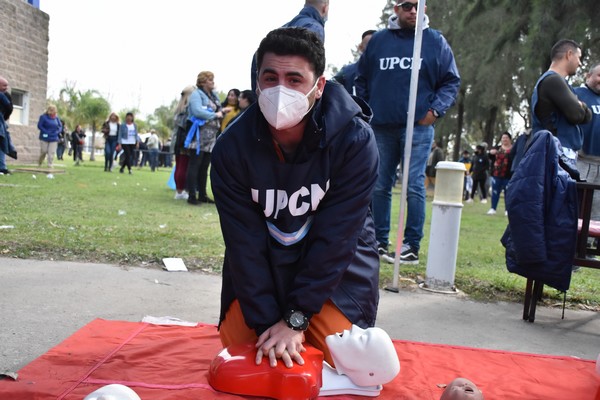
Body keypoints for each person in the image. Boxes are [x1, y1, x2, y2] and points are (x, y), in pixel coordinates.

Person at [211, 27, 380, 370]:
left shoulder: (355, 141)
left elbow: (337, 237)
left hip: (336, 273)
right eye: (270, 77)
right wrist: (266, 323)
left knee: (349, 362)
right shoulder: (231, 148)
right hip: (265, 266)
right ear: (256, 82)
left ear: (318, 87)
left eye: (294, 79)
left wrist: (296, 319)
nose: (279, 90)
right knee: (249, 355)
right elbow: (244, 243)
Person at [355, 1, 460, 265]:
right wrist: (367, 113)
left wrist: (435, 111)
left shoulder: (434, 41)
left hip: (418, 128)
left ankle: (411, 245)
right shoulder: (379, 42)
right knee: (379, 185)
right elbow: (361, 79)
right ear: (396, 9)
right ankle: (378, 242)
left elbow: (451, 81)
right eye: (406, 5)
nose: (413, 10)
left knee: (414, 185)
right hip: (381, 128)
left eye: (417, 5)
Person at [531, 39, 592, 177]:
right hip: (557, 152)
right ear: (569, 54)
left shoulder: (555, 81)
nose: (580, 63)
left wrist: (581, 107)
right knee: (559, 197)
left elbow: (586, 116)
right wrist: (581, 106)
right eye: (579, 57)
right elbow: (576, 115)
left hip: (557, 151)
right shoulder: (553, 80)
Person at [250, 0, 329, 92]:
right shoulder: (313, 27)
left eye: (294, 80)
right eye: (271, 79)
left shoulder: (285, 27)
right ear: (325, 8)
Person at [185, 71, 223, 205]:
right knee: (195, 164)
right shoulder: (196, 94)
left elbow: (219, 109)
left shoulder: (213, 95)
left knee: (205, 166)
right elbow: (197, 111)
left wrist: (220, 112)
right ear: (202, 82)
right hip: (199, 135)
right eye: (210, 80)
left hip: (211, 137)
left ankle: (202, 194)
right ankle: (191, 195)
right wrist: (216, 115)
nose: (213, 82)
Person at [575, 62, 600, 220]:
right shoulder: (575, 93)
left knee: (597, 208)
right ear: (588, 75)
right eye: (599, 75)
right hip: (581, 161)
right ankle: (573, 241)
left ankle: (593, 243)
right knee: (577, 202)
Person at [332, 30, 375, 96]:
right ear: (360, 47)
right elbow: (330, 87)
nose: (371, 49)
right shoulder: (346, 72)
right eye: (368, 45)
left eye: (375, 45)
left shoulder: (387, 72)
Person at [172, 85, 195, 200]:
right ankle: (180, 191)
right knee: (183, 166)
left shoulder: (178, 109)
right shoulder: (188, 109)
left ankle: (179, 190)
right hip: (184, 141)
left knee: (179, 166)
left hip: (177, 141)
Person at [487, 132, 512, 215]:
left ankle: (507, 210)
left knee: (508, 193)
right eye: (503, 137)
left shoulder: (513, 149)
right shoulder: (497, 148)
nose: (504, 139)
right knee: (495, 192)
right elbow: (490, 156)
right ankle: (493, 208)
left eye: (506, 137)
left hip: (508, 175)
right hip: (497, 174)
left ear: (509, 139)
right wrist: (490, 153)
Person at [0, 76, 15, 175]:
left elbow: (9, 108)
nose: (6, 87)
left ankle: (2, 167)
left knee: (2, 144)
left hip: (1, 122)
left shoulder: (5, 96)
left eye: (7, 85)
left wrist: (3, 119)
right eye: (4, 85)